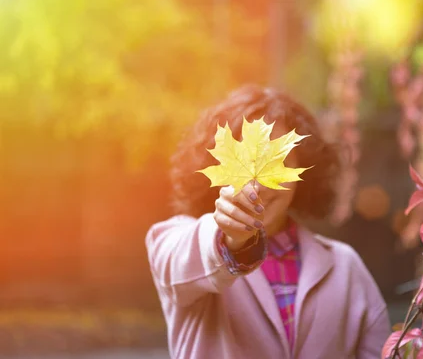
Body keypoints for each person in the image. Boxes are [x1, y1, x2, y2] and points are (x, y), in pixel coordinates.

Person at [145, 85, 390, 359]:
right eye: (245, 161)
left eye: (277, 160)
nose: (257, 183)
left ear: (303, 165)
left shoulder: (346, 268)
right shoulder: (173, 241)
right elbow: (180, 259)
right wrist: (232, 242)